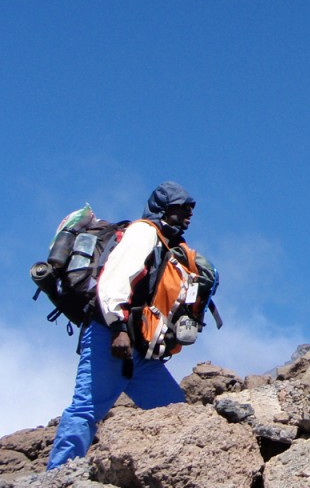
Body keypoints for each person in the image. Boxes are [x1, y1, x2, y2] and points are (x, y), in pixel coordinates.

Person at [47, 181, 199, 469]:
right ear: (166, 207)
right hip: (111, 337)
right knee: (86, 409)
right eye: (183, 208)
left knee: (176, 413)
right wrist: (117, 328)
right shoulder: (143, 232)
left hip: (140, 351)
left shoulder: (168, 242)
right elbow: (114, 281)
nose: (189, 215)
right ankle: (56, 476)